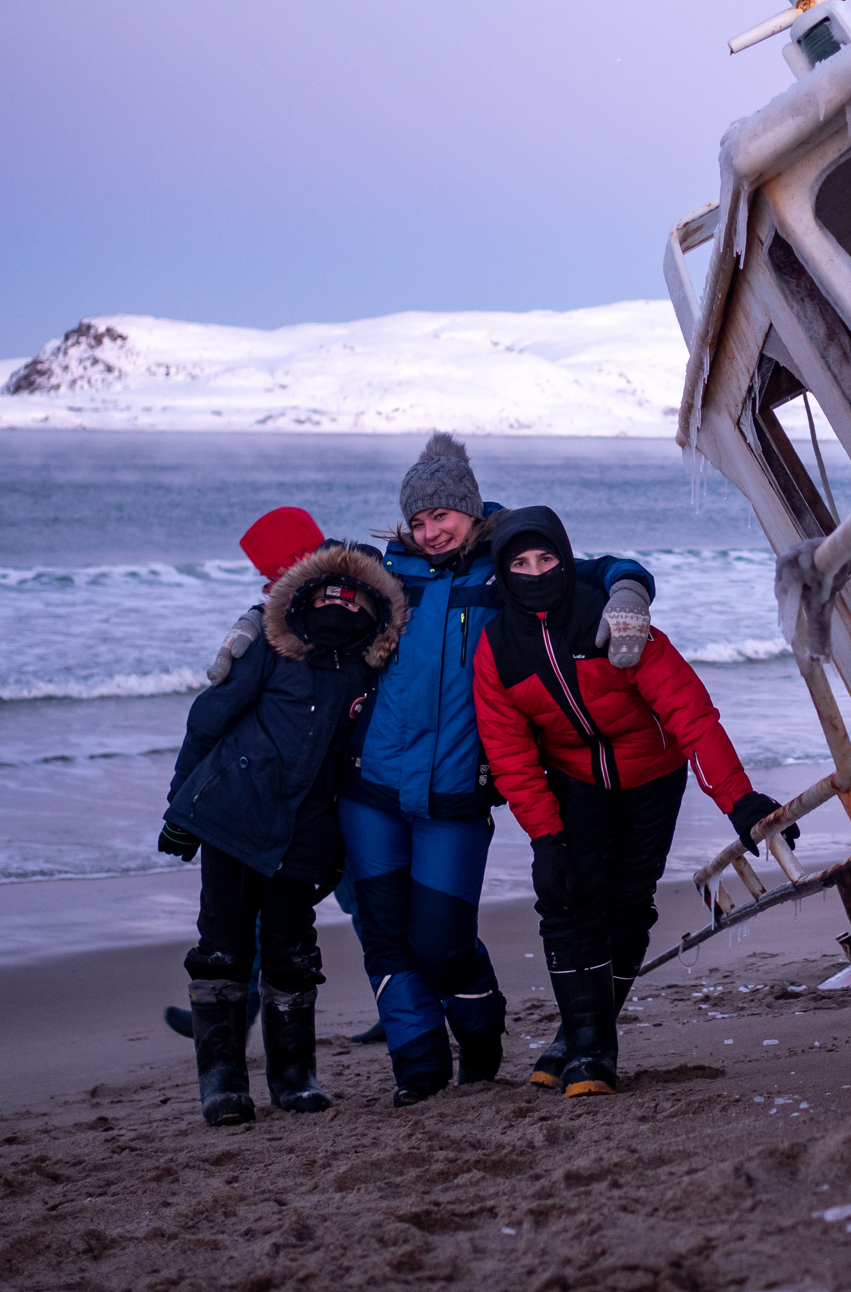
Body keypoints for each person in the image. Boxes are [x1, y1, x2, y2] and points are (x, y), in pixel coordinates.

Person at [335, 434, 656, 1106]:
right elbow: (303, 591)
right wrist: (255, 624)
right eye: (418, 522)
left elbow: (595, 569)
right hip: (371, 789)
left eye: (441, 518)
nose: (429, 533)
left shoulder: (503, 570)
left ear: (470, 510)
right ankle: (417, 1063)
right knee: (385, 936)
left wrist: (628, 592)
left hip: (457, 794)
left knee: (441, 941)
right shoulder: (388, 577)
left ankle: (480, 1030)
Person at [472, 505, 796, 1098]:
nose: (536, 571)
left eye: (546, 558)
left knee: (627, 903)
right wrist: (545, 839)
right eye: (520, 563)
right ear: (503, 570)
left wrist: (739, 800)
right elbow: (511, 754)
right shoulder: (496, 649)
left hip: (653, 775)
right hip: (575, 779)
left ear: (565, 559)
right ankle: (584, 1039)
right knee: (567, 898)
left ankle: (586, 1043)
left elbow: (689, 713)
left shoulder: (612, 618)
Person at [158, 528, 406, 1126]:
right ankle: (222, 1083)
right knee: (221, 947)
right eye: (330, 594)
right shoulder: (272, 646)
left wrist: (345, 849)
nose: (342, 604)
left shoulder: (378, 671)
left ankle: (294, 1077)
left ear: (379, 609)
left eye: (357, 598)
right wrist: (179, 808)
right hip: (229, 818)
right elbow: (208, 719)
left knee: (292, 953)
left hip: (308, 834)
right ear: (304, 593)